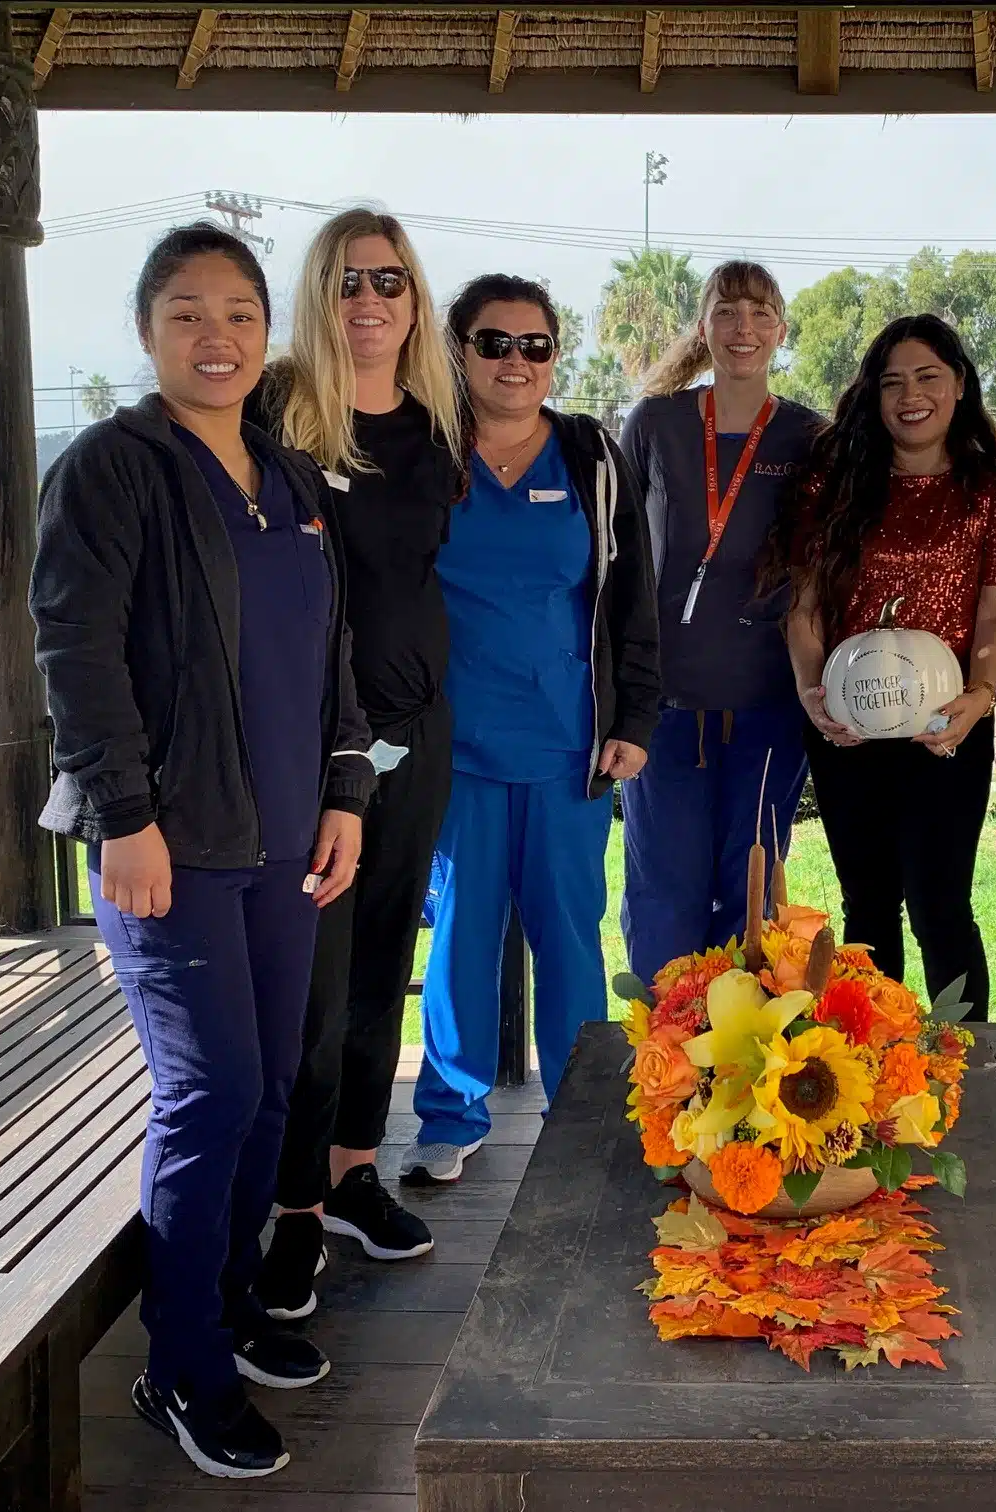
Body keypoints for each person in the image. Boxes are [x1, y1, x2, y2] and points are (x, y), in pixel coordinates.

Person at [30, 222, 373, 1478]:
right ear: (146, 332)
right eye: (186, 312)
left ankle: (226, 1311)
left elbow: (330, 653)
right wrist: (121, 816)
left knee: (273, 1088)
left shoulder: (286, 480)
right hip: (171, 850)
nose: (216, 335)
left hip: (289, 843)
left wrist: (345, 790)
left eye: (237, 311)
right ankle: (180, 1371)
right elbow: (76, 652)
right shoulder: (112, 470)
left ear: (266, 332)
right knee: (210, 1093)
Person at [246, 210, 466, 1320]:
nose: (370, 298)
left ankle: (349, 1176)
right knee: (313, 992)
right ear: (319, 295)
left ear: (416, 299)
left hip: (420, 739)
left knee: (384, 965)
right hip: (312, 749)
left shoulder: (438, 425)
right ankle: (288, 1212)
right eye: (348, 280)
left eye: (391, 279)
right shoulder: (276, 412)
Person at [403, 274, 659, 1181]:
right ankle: (450, 1113)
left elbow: (631, 596)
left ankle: (585, 1106)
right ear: (457, 350)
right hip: (454, 749)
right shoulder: (421, 453)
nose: (516, 361)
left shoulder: (591, 454)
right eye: (494, 342)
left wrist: (634, 715)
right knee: (462, 933)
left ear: (555, 356)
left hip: (567, 744)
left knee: (567, 931)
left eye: (535, 345)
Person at [775, 314, 996, 1022]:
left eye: (927, 377)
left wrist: (981, 696)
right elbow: (804, 607)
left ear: (959, 385)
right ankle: (870, 1071)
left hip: (945, 729)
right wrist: (810, 689)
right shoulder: (831, 484)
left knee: (941, 904)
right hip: (846, 731)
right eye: (892, 382)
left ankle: (968, 1068)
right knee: (866, 904)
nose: (909, 395)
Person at [619, 261, 822, 980]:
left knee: (754, 895)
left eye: (761, 313)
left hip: (767, 704)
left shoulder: (807, 436)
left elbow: (819, 573)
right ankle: (664, 1071)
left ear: (781, 331)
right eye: (728, 312)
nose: (744, 329)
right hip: (666, 705)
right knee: (664, 895)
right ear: (703, 326)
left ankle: (741, 1067)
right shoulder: (657, 422)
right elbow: (618, 557)